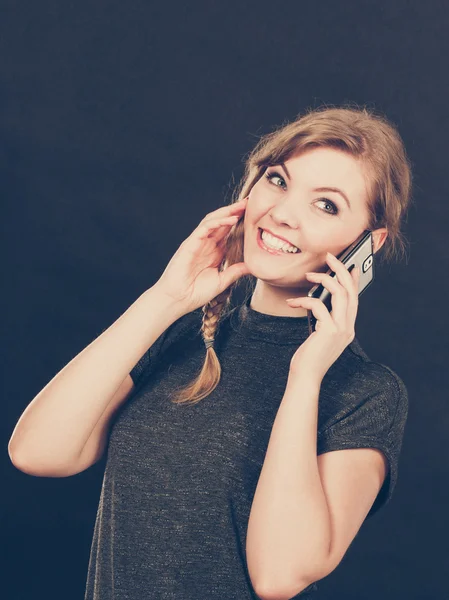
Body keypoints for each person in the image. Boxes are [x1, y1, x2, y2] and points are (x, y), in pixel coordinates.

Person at [8, 104, 413, 600]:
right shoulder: (183, 335)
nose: (282, 213)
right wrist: (166, 299)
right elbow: (37, 452)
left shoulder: (364, 392)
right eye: (279, 181)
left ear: (367, 245)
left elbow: (278, 576)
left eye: (325, 205)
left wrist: (306, 375)